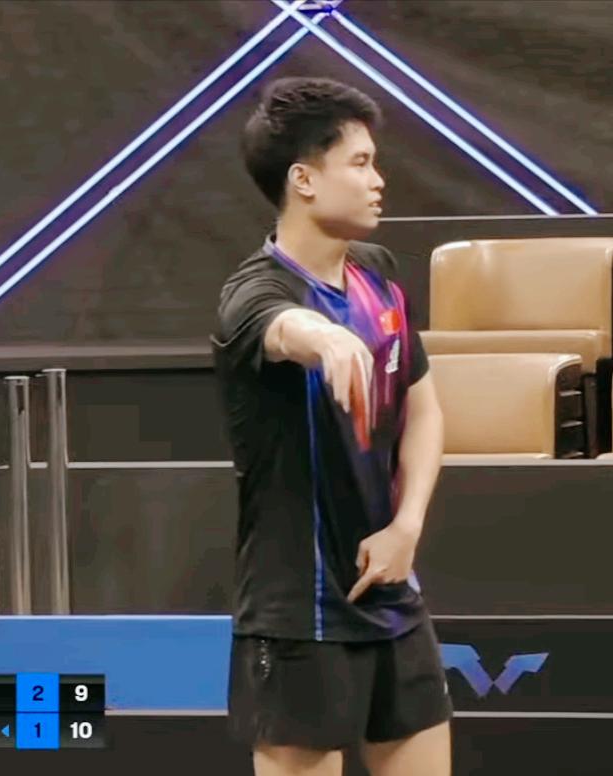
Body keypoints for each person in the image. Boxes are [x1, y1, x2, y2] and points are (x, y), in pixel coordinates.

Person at [213, 77, 451, 776]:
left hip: (392, 595)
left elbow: (424, 409)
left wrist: (407, 526)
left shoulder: (378, 275)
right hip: (299, 615)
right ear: (304, 180)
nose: (379, 181)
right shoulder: (253, 292)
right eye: (361, 162)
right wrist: (326, 338)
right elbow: (282, 327)